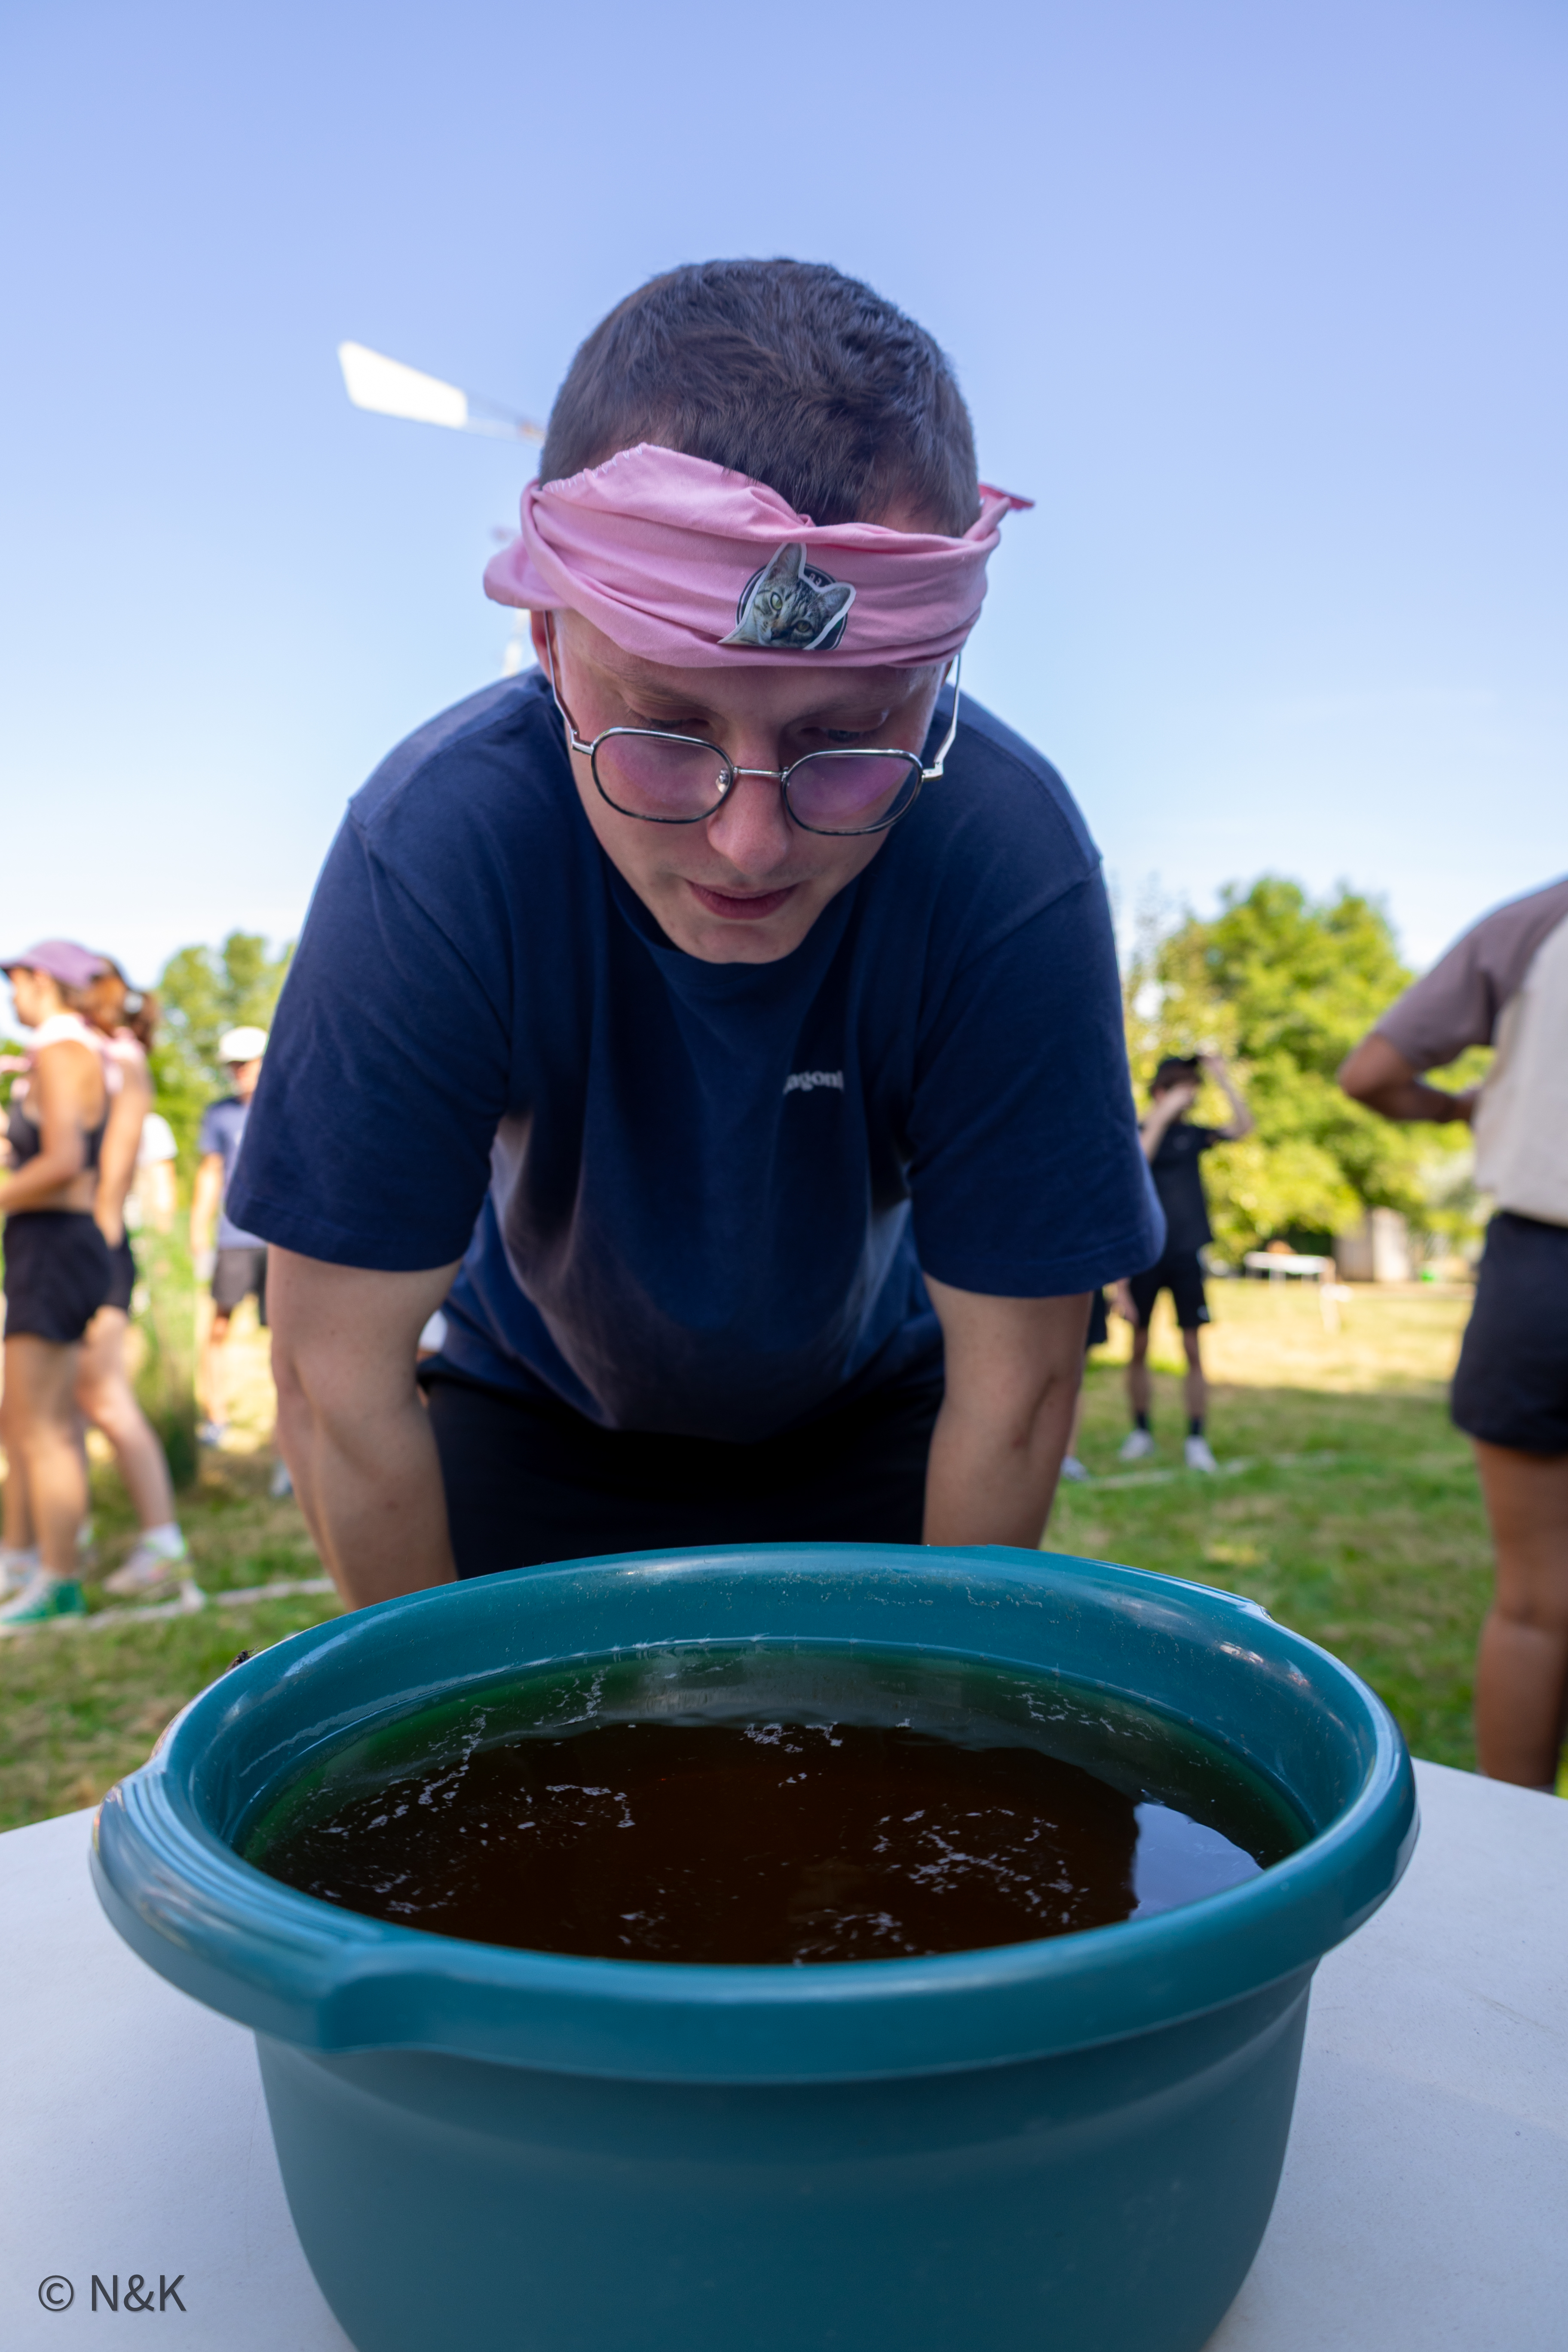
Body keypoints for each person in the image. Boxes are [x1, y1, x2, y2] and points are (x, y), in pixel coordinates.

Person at [231, 260, 1163, 1609]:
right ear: (549, 643)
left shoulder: (1003, 862)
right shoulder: (438, 848)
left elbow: (1015, 1392)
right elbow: (332, 1375)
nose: (752, 841)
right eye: (666, 729)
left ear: (936, 682)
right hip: (530, 1413)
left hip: (875, 1417)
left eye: (846, 740)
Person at [1340, 875, 1568, 1790]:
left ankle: (1520, 1883)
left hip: (1543, 1278)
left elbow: (1373, 1074)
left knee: (1533, 1607)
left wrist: (1469, 1106)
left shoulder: (1540, 920)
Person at [0, 943, 112, 1627]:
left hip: (54, 1246)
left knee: (37, 1428)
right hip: (51, 1247)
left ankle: (59, 1581)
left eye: (15, 981)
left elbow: (67, 1161)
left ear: (42, 981)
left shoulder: (65, 1054)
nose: (11, 996)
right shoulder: (63, 1055)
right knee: (46, 1426)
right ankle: (48, 1568)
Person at [79, 962, 190, 1599]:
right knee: (80, 1398)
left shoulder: (119, 1060)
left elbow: (120, 1173)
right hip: (91, 1250)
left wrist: (95, 1246)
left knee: (105, 1397)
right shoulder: (103, 1057)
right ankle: (72, 1535)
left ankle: (164, 1544)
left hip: (100, 1250)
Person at [1118, 1052, 1253, 1472]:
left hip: (1186, 1254)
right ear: (1161, 1091)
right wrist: (1164, 1110)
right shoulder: (1140, 1130)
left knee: (1194, 1348)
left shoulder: (1194, 1135)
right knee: (1138, 1347)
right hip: (1145, 1254)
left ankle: (1197, 1438)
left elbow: (1243, 1128)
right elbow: (1139, 1160)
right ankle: (1141, 1431)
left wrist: (1221, 1077)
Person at [190, 1026, 270, 1447]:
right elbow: (210, 1173)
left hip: (279, 1240)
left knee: (287, 1339)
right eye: (233, 1065)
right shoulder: (219, 1114)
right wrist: (197, 1232)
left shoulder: (285, 1108)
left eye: (247, 1062)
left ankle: (287, 1437)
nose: (239, 1071)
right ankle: (216, 1418)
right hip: (234, 1237)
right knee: (218, 1329)